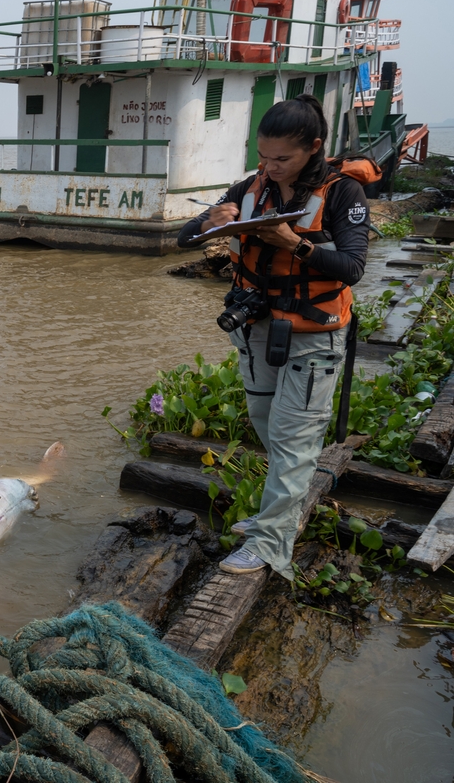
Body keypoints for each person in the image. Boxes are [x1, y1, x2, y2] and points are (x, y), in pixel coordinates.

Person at [177, 94, 380, 578]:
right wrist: (210, 221)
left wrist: (297, 244)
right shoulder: (254, 185)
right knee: (268, 424)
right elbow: (186, 238)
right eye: (263, 157)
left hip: (314, 335)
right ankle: (276, 515)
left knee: (293, 438)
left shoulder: (343, 193)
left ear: (314, 147)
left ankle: (270, 544)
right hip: (257, 328)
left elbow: (352, 266)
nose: (270, 167)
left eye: (282, 159)